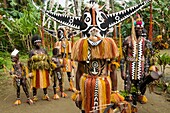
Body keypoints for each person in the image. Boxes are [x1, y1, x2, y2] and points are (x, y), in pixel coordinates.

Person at [120, 14, 161, 112]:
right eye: (138, 28)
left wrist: (148, 69)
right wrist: (122, 71)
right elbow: (122, 58)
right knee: (128, 90)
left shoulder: (145, 42)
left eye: (141, 28)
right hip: (130, 69)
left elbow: (148, 57)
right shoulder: (127, 40)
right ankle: (129, 107)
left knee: (140, 87)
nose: (140, 29)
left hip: (141, 68)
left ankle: (136, 102)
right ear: (134, 28)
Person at [28, 34, 50, 101]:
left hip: (44, 69)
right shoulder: (32, 52)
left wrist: (49, 69)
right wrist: (30, 72)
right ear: (34, 43)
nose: (39, 43)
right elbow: (29, 62)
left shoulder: (44, 50)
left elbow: (48, 60)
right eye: (37, 42)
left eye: (40, 42)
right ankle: (35, 96)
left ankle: (45, 94)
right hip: (35, 69)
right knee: (35, 82)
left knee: (45, 82)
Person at [54, 26, 76, 92]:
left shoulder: (68, 43)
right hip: (60, 60)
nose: (60, 35)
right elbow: (56, 53)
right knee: (59, 74)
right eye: (59, 33)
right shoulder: (57, 43)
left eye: (61, 33)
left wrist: (72, 61)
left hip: (67, 60)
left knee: (69, 74)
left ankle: (71, 86)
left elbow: (71, 53)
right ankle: (60, 86)